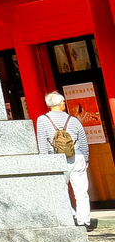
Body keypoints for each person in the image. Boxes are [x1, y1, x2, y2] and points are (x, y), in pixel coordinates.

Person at [39, 91, 96, 230]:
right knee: (81, 191)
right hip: (77, 156)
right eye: (63, 102)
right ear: (61, 104)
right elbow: (83, 140)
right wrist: (86, 158)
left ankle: (70, 216)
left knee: (60, 190)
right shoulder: (73, 120)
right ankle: (84, 221)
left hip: (55, 158)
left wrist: (44, 161)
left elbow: (42, 142)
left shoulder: (43, 120)